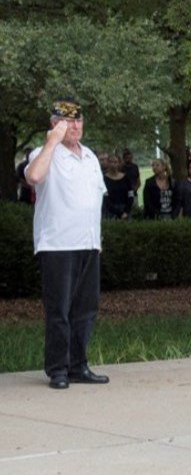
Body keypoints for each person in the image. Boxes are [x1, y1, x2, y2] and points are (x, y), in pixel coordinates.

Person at [23, 98, 110, 389]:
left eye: (78, 121)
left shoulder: (90, 157)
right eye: (67, 121)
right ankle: (58, 369)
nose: (74, 126)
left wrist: (97, 240)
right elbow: (34, 176)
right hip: (57, 245)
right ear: (54, 125)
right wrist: (52, 142)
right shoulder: (43, 153)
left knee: (85, 309)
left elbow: (94, 201)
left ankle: (78, 365)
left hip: (87, 244)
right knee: (58, 310)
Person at [101, 153, 134, 219]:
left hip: (126, 211)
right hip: (110, 212)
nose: (113, 164)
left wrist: (126, 211)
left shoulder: (126, 178)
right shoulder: (103, 179)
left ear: (119, 163)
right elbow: (105, 199)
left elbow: (130, 195)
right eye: (111, 162)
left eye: (115, 162)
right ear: (108, 163)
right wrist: (119, 213)